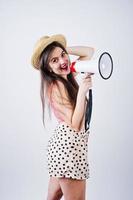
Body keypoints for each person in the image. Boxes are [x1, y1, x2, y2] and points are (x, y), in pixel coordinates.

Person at [31, 34, 95, 200]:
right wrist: (82, 91)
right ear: (48, 69)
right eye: (54, 60)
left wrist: (65, 49)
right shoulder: (57, 86)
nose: (62, 61)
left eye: (62, 55)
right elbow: (75, 124)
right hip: (69, 152)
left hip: (65, 148)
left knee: (53, 196)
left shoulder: (66, 77)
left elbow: (89, 52)